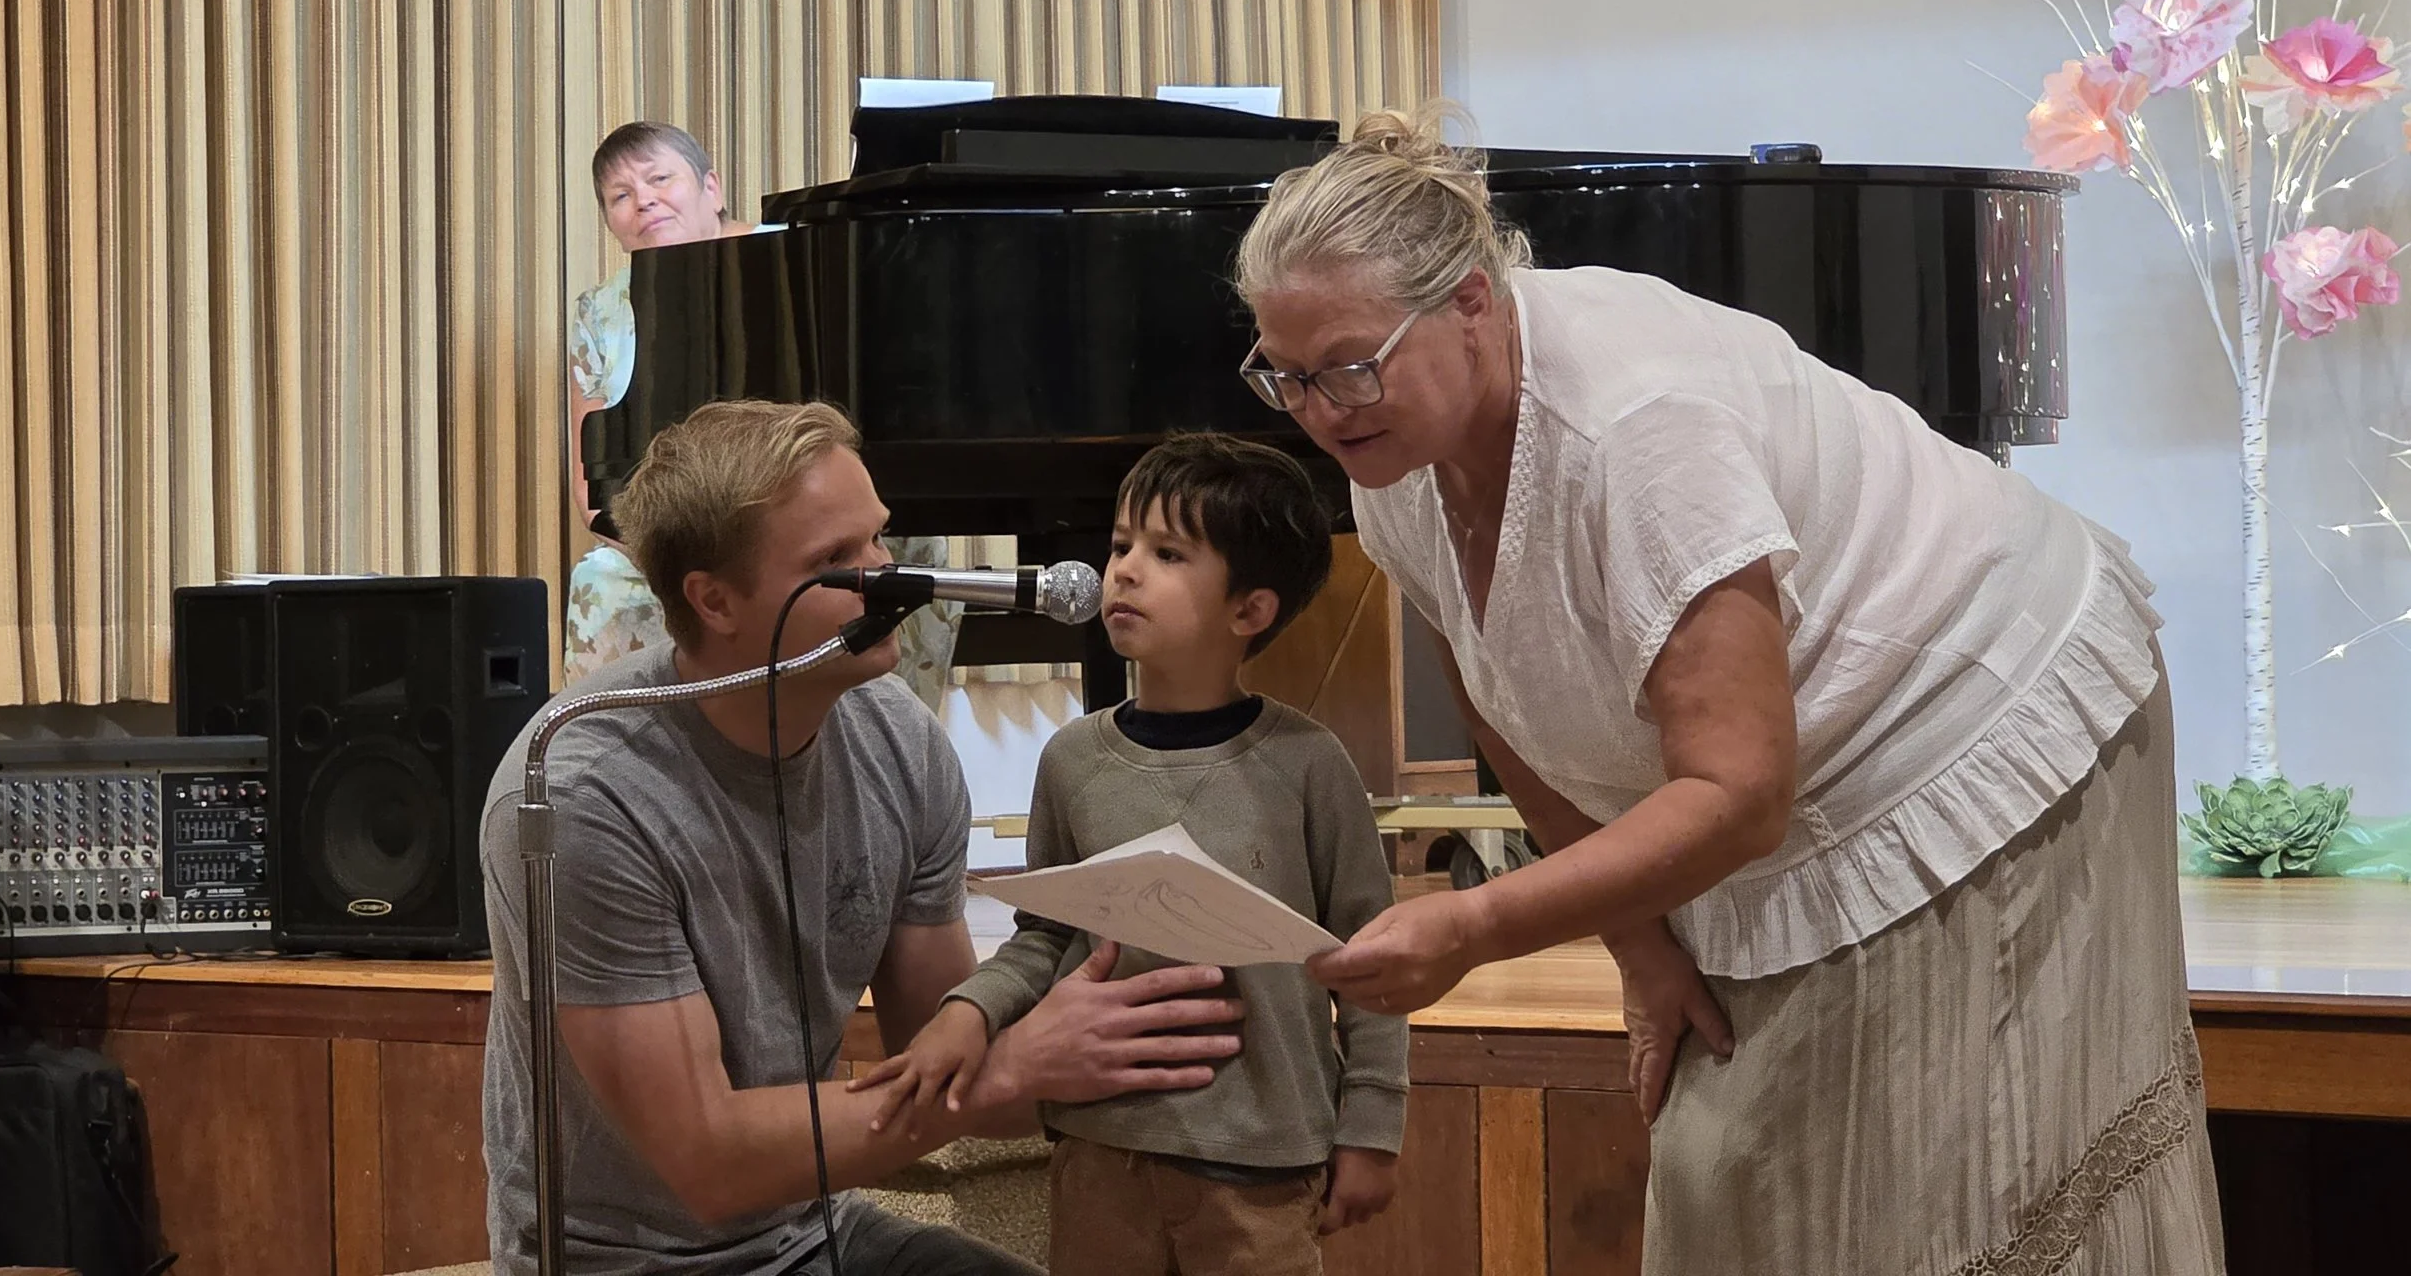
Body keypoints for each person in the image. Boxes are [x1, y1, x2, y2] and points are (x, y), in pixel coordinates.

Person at [1237, 104, 2225, 1274]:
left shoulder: (1636, 425)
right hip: (1803, 777)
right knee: (1740, 1176)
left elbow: (1741, 790)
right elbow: (1511, 709)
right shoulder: (1393, 458)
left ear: (1469, 302)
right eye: (1284, 376)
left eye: (1350, 367)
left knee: (1950, 1189)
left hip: (1982, 715)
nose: (1319, 411)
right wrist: (1637, 944)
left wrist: (1478, 923)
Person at [480, 399, 1250, 1276]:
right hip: (624, 1264)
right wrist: (1020, 1069)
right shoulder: (586, 794)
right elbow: (708, 1163)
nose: (890, 579)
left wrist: (1123, 1031)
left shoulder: (899, 742)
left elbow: (937, 1056)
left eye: (878, 538)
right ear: (714, 600)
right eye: (834, 562)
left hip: (811, 1233)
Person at [854, 432, 1407, 1276]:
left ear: (1251, 611)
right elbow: (1043, 939)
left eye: (1167, 553)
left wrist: (1371, 1128)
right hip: (1098, 1152)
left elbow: (1373, 960)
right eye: (1120, 546)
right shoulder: (1071, 760)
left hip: (1261, 1162)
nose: (1124, 571)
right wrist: (966, 1013)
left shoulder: (1309, 764)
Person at [564, 122, 959, 706]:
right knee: (601, 577)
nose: (643, 200)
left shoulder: (806, 256)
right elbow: (592, 493)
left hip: (828, 525)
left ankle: (887, 743)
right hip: (697, 536)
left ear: (712, 189)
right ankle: (621, 755)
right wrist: (690, 553)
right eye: (620, 195)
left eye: (659, 178)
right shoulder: (600, 311)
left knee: (915, 549)